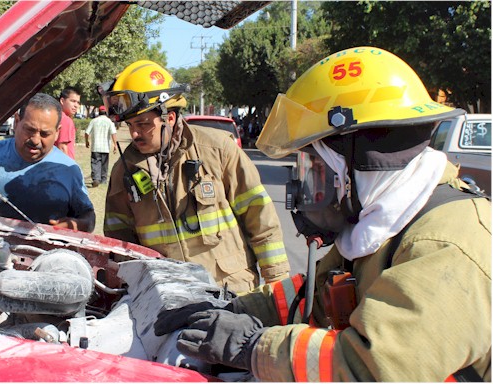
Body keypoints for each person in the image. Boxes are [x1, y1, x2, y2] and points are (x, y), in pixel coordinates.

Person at [153, 47, 491, 381]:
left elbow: (370, 369)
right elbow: (313, 294)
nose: (306, 185)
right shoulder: (382, 223)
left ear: (360, 159)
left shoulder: (444, 246)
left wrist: (252, 346)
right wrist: (232, 310)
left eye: (314, 165)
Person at [99, 60, 290, 294]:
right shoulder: (124, 171)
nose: (135, 133)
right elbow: (119, 241)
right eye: (130, 124)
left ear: (169, 118)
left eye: (142, 123)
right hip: (169, 298)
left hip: (232, 291)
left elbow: (260, 218)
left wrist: (277, 284)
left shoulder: (218, 150)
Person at [0, 93, 96, 232]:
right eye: (30, 130)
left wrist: (76, 225)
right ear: (17, 121)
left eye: (45, 133)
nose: (35, 140)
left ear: (57, 132)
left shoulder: (69, 169)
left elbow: (88, 218)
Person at [84, 105, 117, 188]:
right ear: (106, 112)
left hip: (96, 147)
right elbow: (113, 133)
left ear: (98, 112)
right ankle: (103, 180)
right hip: (105, 147)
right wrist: (115, 144)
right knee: (104, 164)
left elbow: (87, 132)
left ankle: (96, 179)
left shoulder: (94, 121)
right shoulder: (109, 122)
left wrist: (87, 141)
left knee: (95, 163)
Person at [55, 87, 81, 160]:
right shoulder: (66, 120)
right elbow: (62, 147)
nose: (76, 105)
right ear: (62, 101)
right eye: (73, 101)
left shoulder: (56, 116)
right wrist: (67, 168)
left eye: (78, 102)